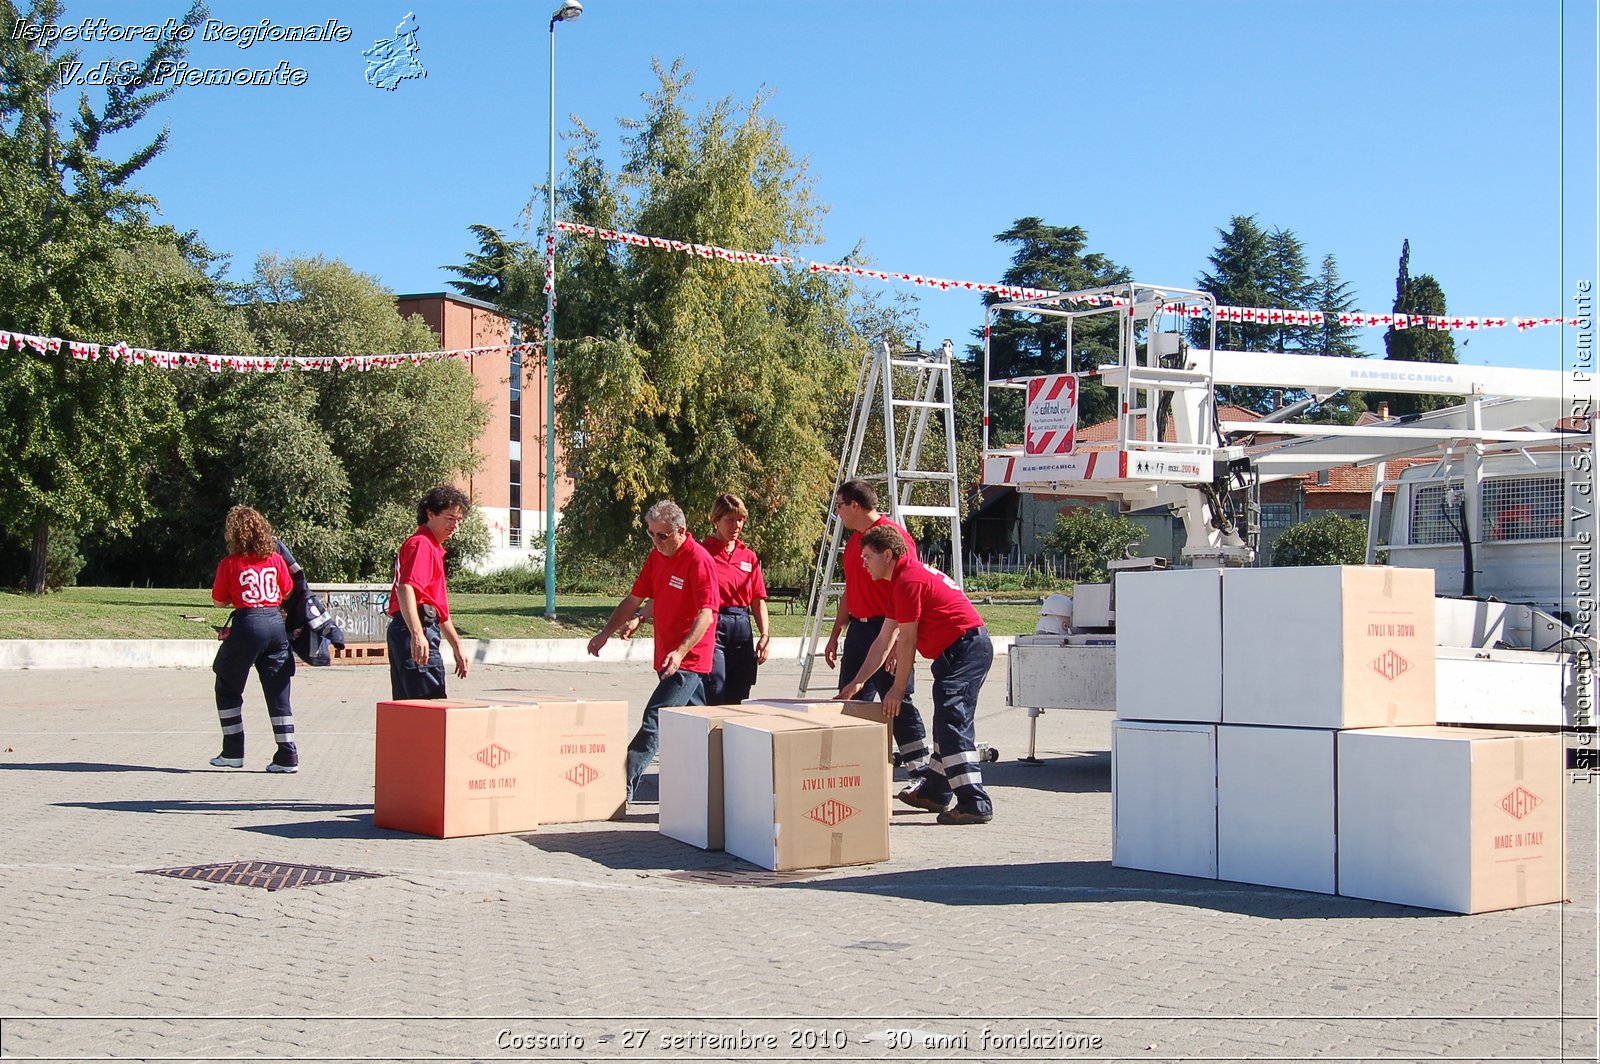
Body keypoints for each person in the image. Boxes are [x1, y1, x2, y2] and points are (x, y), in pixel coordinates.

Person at [858, 523, 995, 825]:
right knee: (947, 719)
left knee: (951, 720)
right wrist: (857, 683)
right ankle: (934, 789)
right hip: (958, 651)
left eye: (867, 556)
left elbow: (906, 640)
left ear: (888, 554)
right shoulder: (902, 581)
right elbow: (884, 640)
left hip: (966, 648)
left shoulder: (909, 581)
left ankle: (974, 802)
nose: (863, 563)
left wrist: (896, 688)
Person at [588, 500, 718, 800]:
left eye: (662, 535)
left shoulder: (698, 560)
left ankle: (620, 788)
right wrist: (606, 632)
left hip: (688, 660)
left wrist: (682, 652)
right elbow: (636, 599)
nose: (656, 541)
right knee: (698, 727)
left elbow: (707, 614)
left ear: (681, 531)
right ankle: (713, 788)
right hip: (668, 657)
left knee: (655, 718)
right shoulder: (657, 557)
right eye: (651, 534)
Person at [827, 479, 931, 782]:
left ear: (855, 505)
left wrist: (898, 643)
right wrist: (836, 632)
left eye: (840, 507)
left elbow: (910, 591)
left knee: (894, 700)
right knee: (850, 699)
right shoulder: (854, 544)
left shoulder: (892, 538)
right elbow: (850, 590)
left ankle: (919, 771)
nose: (839, 514)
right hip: (859, 632)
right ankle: (851, 772)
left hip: (888, 629)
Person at [623, 494, 770, 704]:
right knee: (715, 688)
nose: (736, 525)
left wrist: (764, 634)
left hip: (740, 625)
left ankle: (732, 735)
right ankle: (709, 734)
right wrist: (639, 617)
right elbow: (667, 594)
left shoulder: (748, 556)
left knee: (740, 691)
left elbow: (757, 598)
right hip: (713, 623)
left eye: (740, 519)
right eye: (729, 519)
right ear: (715, 521)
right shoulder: (702, 553)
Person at [209, 505, 299, 773]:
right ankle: (287, 756)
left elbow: (218, 601)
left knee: (227, 686)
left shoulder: (230, 564)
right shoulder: (274, 559)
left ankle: (233, 751)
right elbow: (287, 591)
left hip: (247, 624)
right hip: (275, 624)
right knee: (278, 692)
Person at [386, 485, 471, 700]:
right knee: (428, 705)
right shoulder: (422, 545)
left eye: (459, 520)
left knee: (413, 706)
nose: (455, 525)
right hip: (415, 627)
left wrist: (457, 645)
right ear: (430, 514)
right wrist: (417, 634)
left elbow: (439, 610)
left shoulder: (432, 547)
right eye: (450, 518)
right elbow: (406, 588)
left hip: (417, 625)